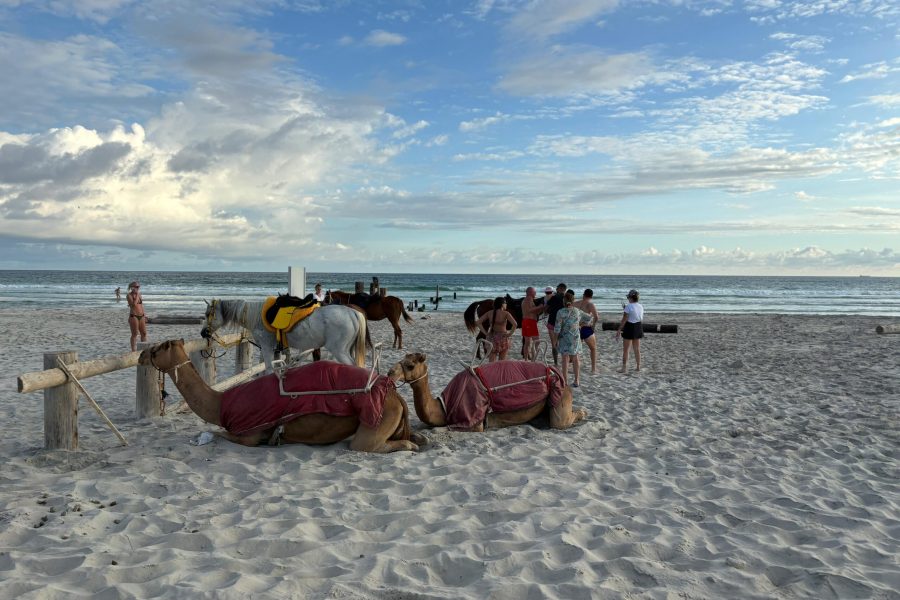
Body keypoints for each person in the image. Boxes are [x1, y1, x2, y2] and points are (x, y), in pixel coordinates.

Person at [554, 290, 592, 387]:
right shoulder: (577, 311)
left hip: (564, 337)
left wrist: (555, 340)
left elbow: (557, 328)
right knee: (576, 358)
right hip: (575, 337)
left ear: (564, 301)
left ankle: (565, 381)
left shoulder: (560, 312)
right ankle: (577, 380)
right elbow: (589, 318)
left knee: (565, 359)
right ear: (573, 300)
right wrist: (580, 325)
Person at [476, 296, 518, 362]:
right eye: (505, 303)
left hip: (492, 337)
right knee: (501, 362)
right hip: (503, 337)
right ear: (502, 304)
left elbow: (478, 322)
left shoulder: (489, 313)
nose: (506, 304)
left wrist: (485, 333)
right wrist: (510, 334)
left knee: (492, 362)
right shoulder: (506, 313)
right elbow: (515, 324)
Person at [616, 289, 644, 373]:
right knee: (637, 349)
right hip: (638, 326)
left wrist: (619, 329)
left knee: (626, 349)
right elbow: (639, 317)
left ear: (631, 298)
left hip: (629, 327)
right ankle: (638, 367)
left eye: (628, 297)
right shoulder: (640, 306)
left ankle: (624, 368)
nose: (628, 299)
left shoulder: (628, 306)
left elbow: (624, 319)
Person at [573, 288, 600, 374]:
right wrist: (593, 326)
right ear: (591, 296)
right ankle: (593, 369)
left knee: (576, 350)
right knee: (593, 349)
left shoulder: (575, 303)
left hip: (576, 328)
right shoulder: (590, 304)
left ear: (583, 295)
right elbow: (596, 317)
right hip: (585, 328)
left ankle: (574, 367)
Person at [545, 283, 567, 365]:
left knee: (554, 344)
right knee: (564, 343)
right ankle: (567, 360)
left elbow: (546, 308)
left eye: (557, 288)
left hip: (552, 322)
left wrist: (546, 312)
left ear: (560, 289)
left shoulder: (554, 297)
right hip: (563, 323)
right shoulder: (567, 298)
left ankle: (556, 362)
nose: (556, 289)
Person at [520, 287, 545, 360]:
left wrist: (541, 308)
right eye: (535, 292)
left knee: (527, 342)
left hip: (526, 321)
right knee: (536, 341)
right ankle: (533, 358)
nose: (536, 293)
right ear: (530, 292)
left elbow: (533, 311)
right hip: (530, 322)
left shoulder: (528, 300)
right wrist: (540, 306)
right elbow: (529, 310)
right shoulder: (528, 299)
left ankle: (526, 359)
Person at [126, 281, 147, 351]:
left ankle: (144, 349)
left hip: (141, 316)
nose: (138, 288)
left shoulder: (139, 295)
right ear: (132, 288)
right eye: (136, 287)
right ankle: (133, 351)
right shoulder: (129, 295)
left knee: (144, 333)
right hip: (134, 316)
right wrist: (137, 295)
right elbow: (134, 305)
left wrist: (144, 315)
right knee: (135, 334)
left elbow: (141, 306)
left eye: (138, 287)